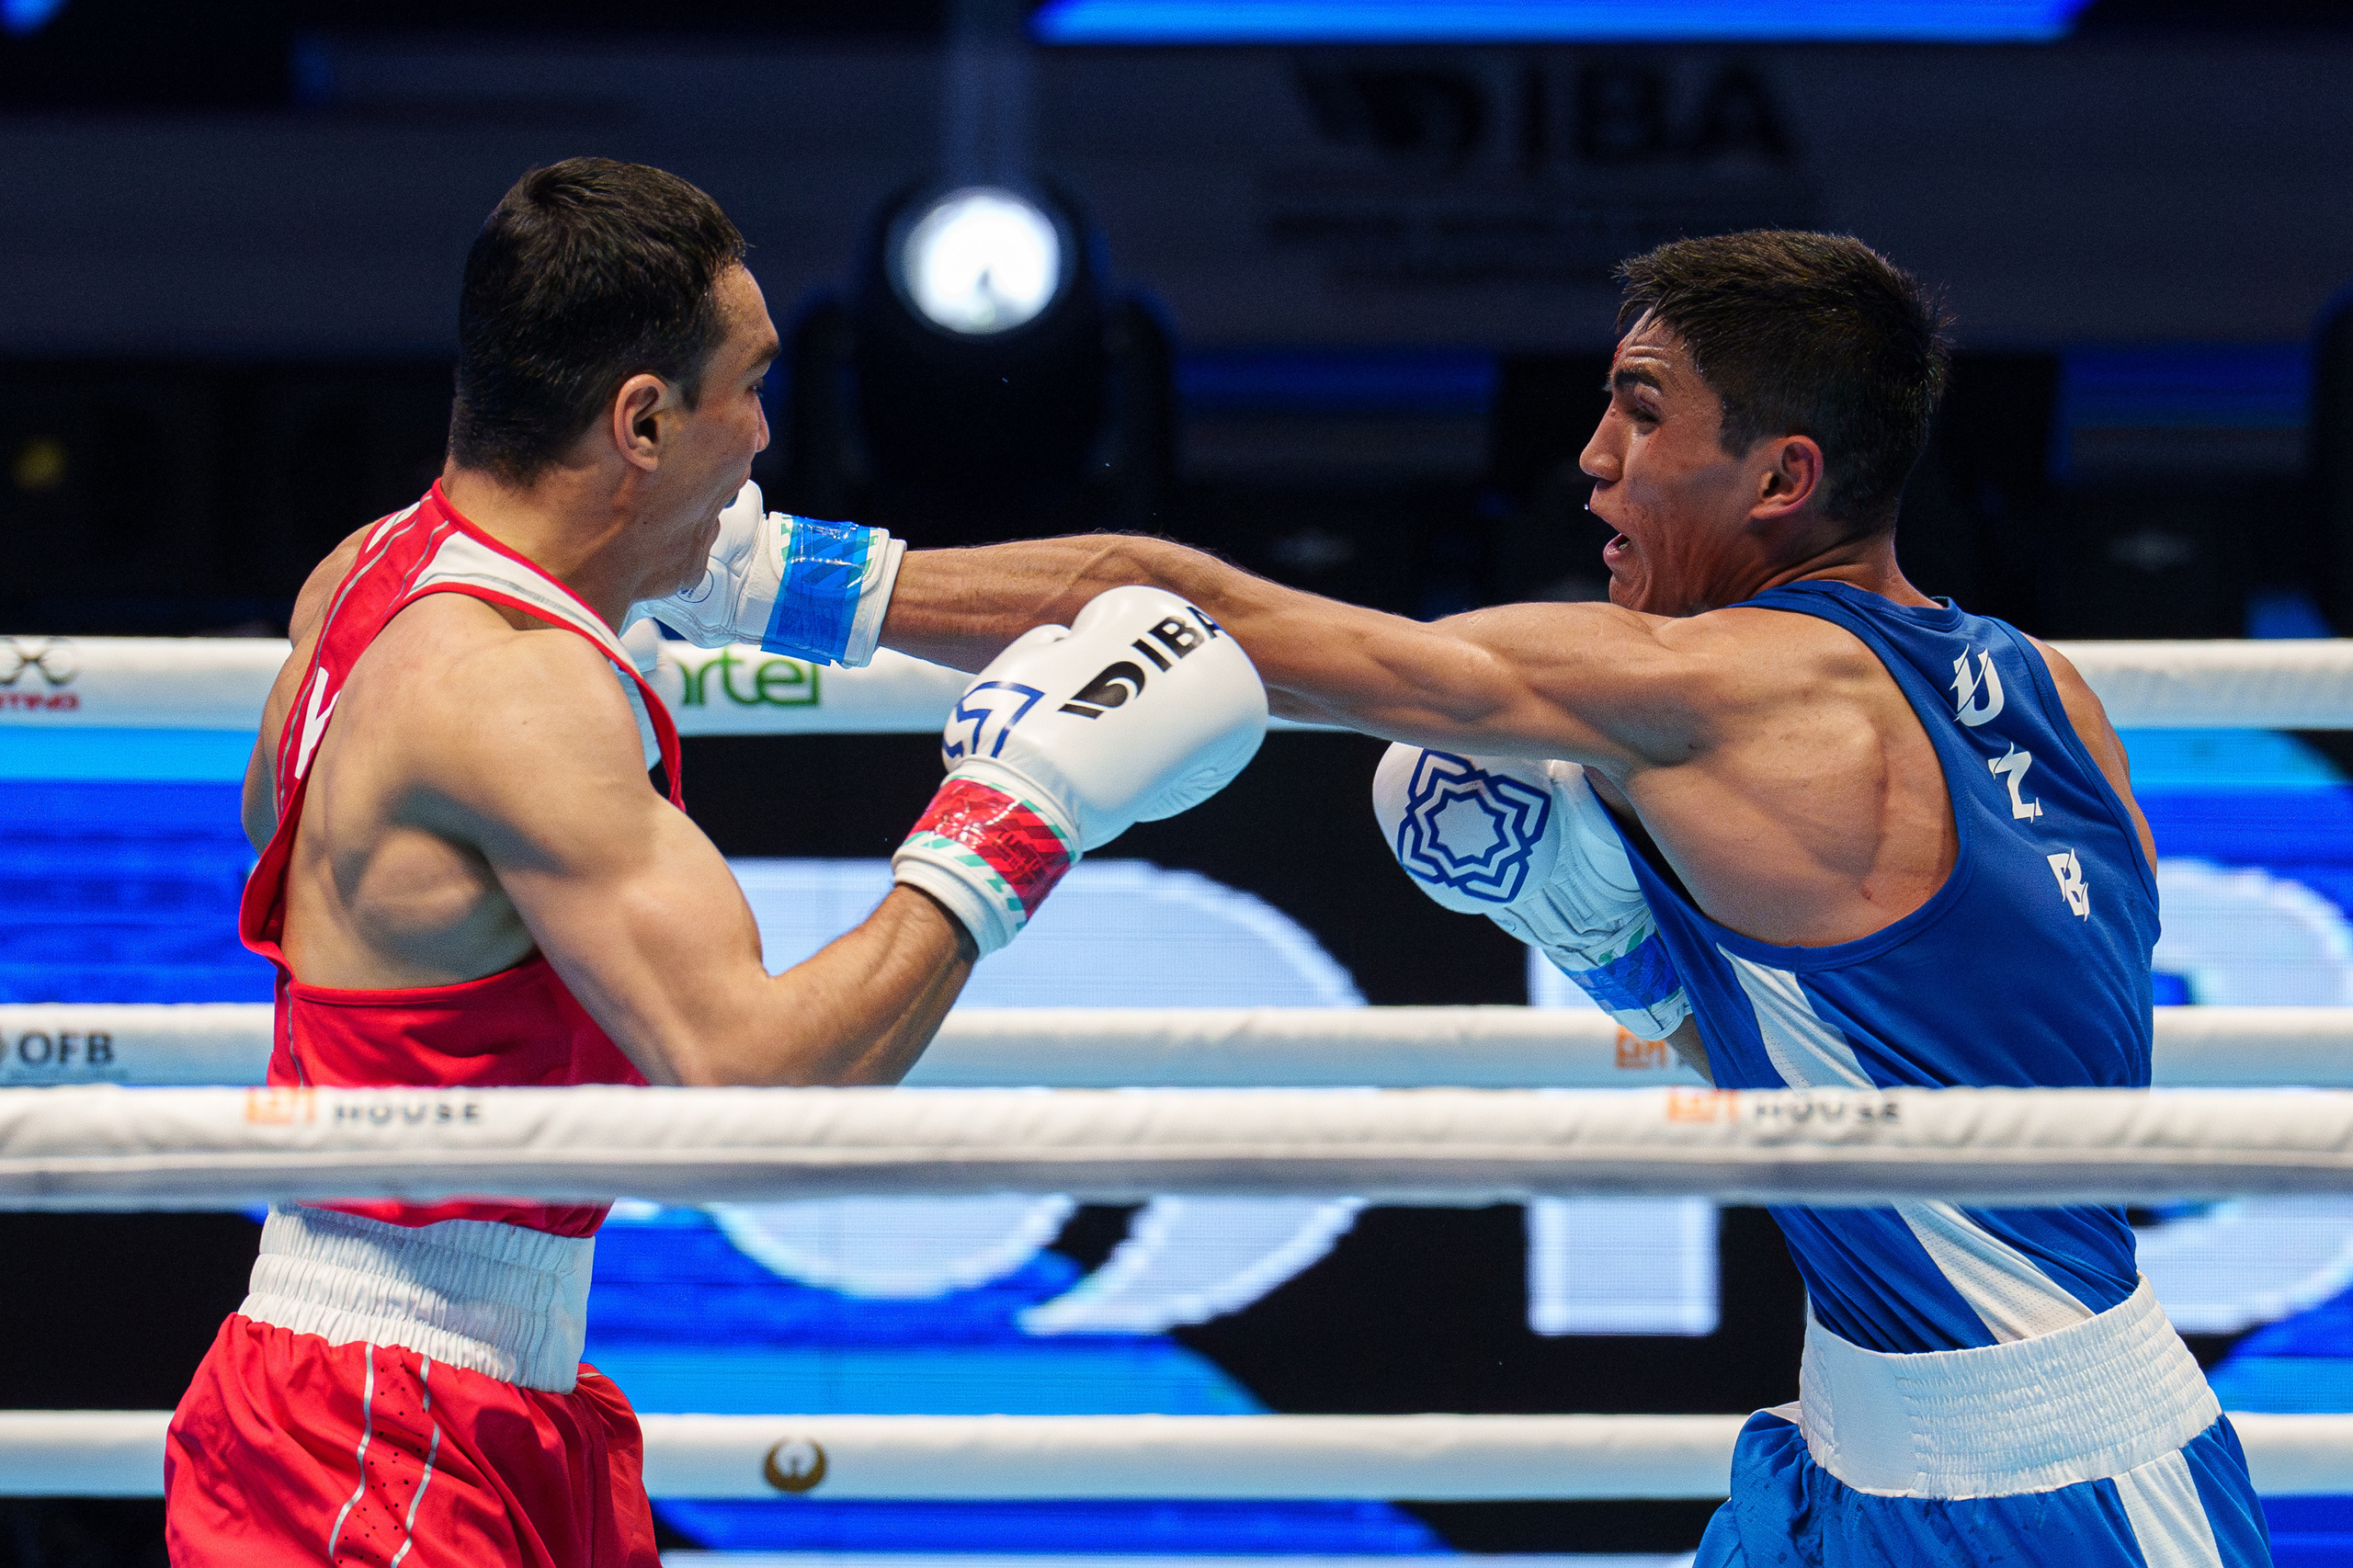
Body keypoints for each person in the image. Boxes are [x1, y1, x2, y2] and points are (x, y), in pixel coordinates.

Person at [810, 231, 2264, 1565]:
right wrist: (1637, 959)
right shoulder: (2042, 685)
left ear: (1780, 478)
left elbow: (1176, 602)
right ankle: (1624, 942)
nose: (1590, 458)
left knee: (1420, 771)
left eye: (1641, 410)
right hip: (1859, 1440)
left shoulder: (1717, 690)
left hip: (2068, 1497)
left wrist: (765, 576)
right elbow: (1912, 1071)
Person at [164, 157, 1266, 1567]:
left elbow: (280, 818)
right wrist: (1016, 812)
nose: (761, 434)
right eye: (748, 385)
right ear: (641, 420)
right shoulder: (516, 689)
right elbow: (756, 1083)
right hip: (384, 1426)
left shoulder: (371, 570)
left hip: (453, 1390)